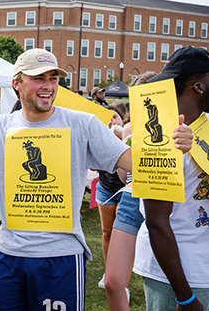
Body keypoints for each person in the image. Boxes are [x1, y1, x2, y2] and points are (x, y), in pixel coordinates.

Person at [0, 48, 192, 310]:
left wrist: (174, 147)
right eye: (38, 78)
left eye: (53, 78)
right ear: (17, 83)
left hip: (60, 258)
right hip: (8, 253)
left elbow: (131, 163)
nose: (48, 85)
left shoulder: (82, 124)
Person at [133, 47, 209, 310]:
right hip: (177, 278)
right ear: (198, 86)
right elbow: (156, 222)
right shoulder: (158, 140)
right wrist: (184, 295)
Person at [103, 71, 157, 311]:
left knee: (158, 269)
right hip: (130, 197)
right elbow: (123, 176)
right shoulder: (129, 128)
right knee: (113, 282)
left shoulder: (172, 127)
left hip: (160, 198)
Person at [95, 103, 128, 291]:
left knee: (122, 234)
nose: (111, 121)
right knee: (107, 233)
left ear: (122, 119)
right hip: (105, 189)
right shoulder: (102, 136)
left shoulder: (128, 136)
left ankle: (123, 282)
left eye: (114, 116)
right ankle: (109, 271)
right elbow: (94, 167)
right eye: (108, 117)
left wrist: (122, 136)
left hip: (125, 191)